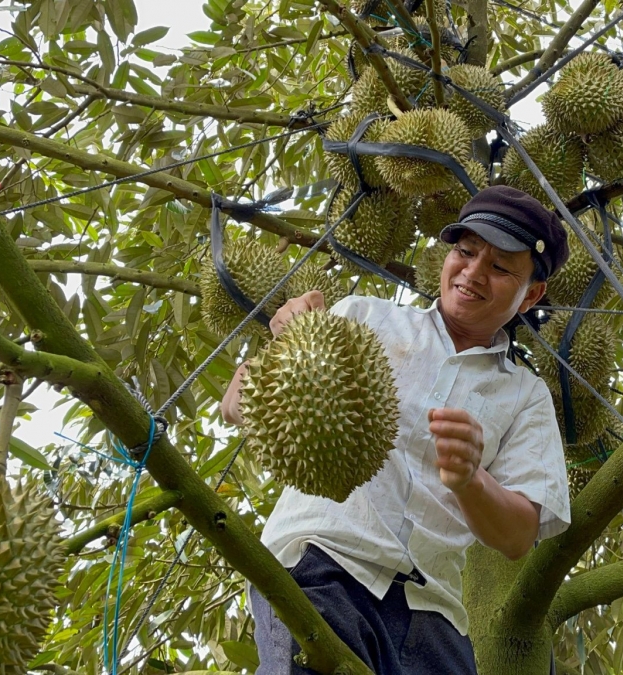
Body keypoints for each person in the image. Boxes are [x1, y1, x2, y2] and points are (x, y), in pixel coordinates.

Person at [221, 185, 573, 674]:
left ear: (531, 293)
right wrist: (281, 344)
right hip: (324, 567)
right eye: (466, 252)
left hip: (433, 616)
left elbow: (518, 535)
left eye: (499, 267)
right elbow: (240, 404)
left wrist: (472, 478)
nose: (473, 273)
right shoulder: (364, 317)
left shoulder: (524, 396)